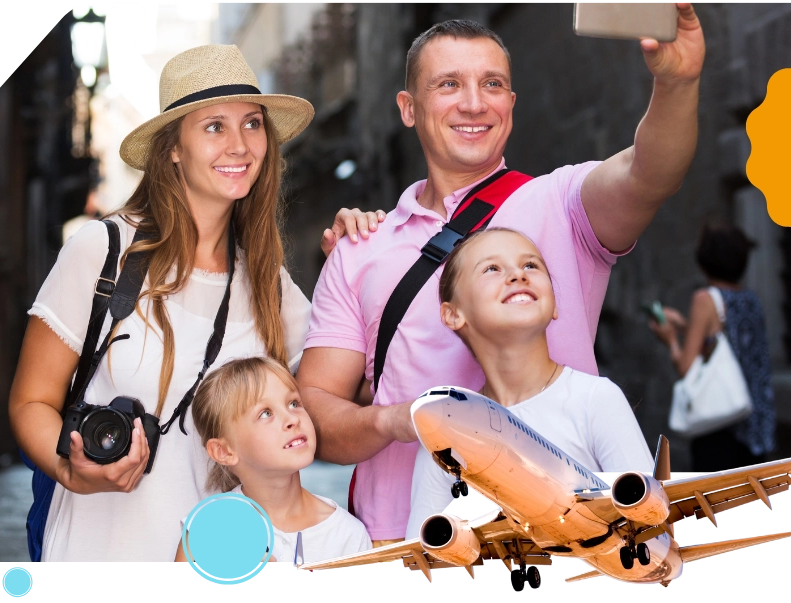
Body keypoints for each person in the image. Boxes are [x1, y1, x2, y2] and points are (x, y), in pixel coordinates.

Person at [299, 4, 704, 545]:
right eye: (448, 84)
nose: (473, 102)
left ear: (510, 106)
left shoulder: (560, 203)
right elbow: (317, 416)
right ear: (408, 108)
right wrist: (401, 421)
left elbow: (650, 173)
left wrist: (677, 85)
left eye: (492, 84)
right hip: (405, 537)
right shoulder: (360, 247)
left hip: (557, 536)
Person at [8, 44, 383, 566]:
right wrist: (72, 471)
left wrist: (361, 270)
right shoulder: (103, 252)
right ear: (173, 149)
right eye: (214, 127)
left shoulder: (267, 283)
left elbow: (350, 387)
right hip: (98, 551)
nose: (239, 145)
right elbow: (30, 403)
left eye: (252, 124)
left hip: (224, 565)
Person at [404, 228, 654, 539]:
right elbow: (425, 561)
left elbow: (653, 527)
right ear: (453, 314)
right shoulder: (447, 431)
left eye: (531, 266)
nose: (517, 275)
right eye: (492, 268)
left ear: (554, 306)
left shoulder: (595, 399)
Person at [175, 356, 370, 566]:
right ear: (223, 451)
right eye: (266, 413)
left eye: (294, 403)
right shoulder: (208, 529)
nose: (293, 419)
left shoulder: (348, 535)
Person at [647, 224, 776, 472]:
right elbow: (727, 342)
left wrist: (671, 339)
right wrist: (688, 327)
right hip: (755, 426)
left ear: (703, 261)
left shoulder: (705, 299)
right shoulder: (751, 299)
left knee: (716, 506)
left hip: (720, 425)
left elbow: (686, 367)